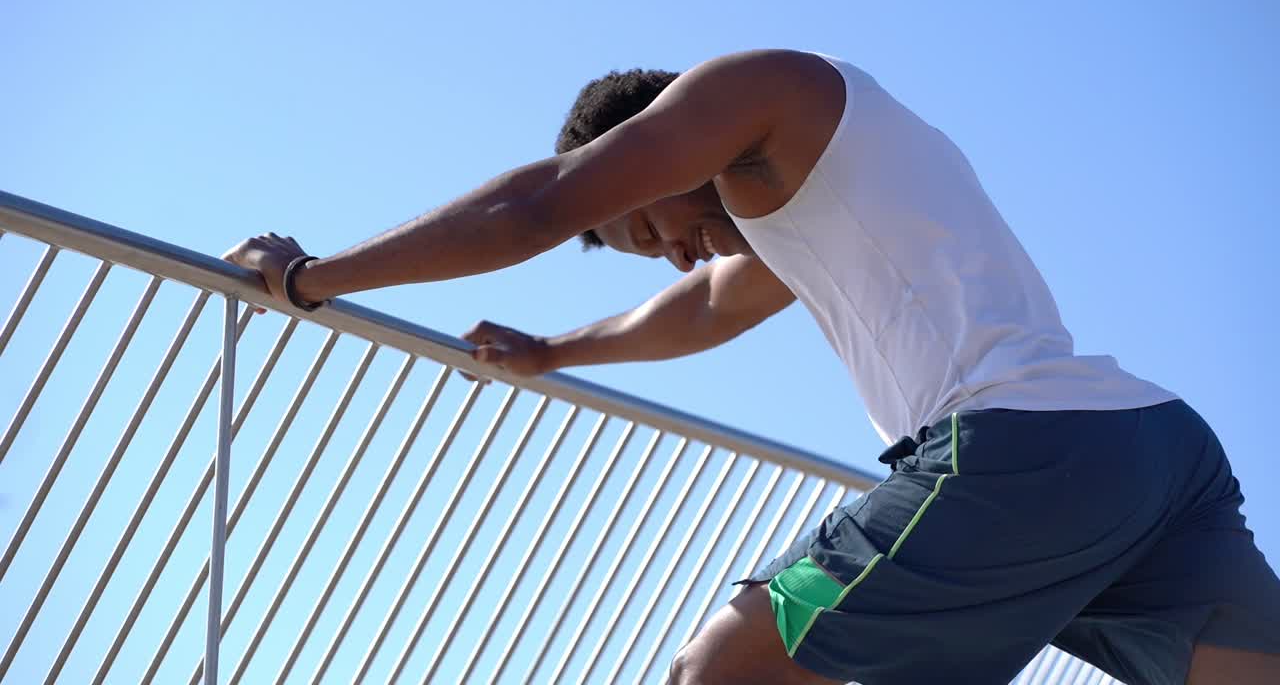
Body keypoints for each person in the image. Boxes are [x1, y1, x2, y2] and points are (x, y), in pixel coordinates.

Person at [222, 49, 1280, 684]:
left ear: (648, 146)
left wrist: (309, 277)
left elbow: (532, 206)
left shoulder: (762, 89)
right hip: (1154, 453)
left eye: (652, 226)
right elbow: (710, 310)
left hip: (1018, 449)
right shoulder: (816, 189)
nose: (682, 249)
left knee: (720, 669)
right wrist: (553, 350)